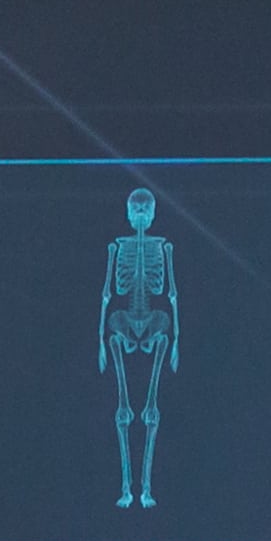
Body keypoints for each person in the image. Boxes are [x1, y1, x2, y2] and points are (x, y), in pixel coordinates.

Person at [100, 183, 182, 511]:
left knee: (150, 409)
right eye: (136, 209)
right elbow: (108, 295)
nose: (140, 214)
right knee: (124, 409)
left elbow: (171, 295)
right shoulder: (117, 247)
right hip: (125, 322)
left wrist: (177, 341)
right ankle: (127, 488)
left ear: (153, 214)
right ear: (128, 212)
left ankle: (145, 489)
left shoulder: (163, 247)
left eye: (145, 209)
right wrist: (101, 342)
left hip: (152, 322)